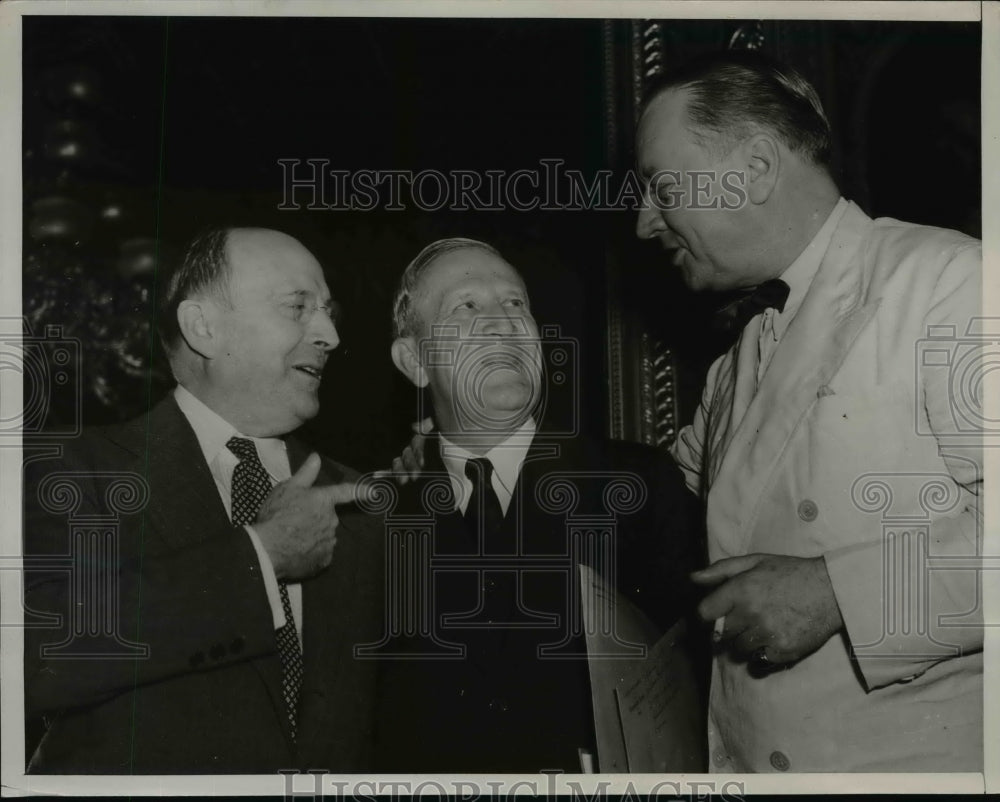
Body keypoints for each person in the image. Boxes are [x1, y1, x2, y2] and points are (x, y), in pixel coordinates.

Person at [633, 51, 983, 772]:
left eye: (660, 187)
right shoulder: (741, 351)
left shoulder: (951, 282)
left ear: (756, 168)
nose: (644, 223)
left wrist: (834, 594)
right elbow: (652, 491)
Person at [23, 227, 383, 773]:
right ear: (205, 328)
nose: (330, 333)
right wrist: (260, 557)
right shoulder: (73, 469)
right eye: (298, 306)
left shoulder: (359, 498)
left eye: (329, 311)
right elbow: (36, 657)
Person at [374, 238, 706, 773]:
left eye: (515, 303)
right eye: (467, 306)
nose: (503, 323)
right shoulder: (380, 519)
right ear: (414, 360)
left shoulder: (637, 487)